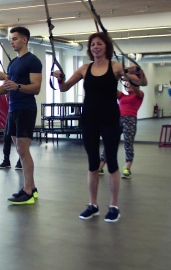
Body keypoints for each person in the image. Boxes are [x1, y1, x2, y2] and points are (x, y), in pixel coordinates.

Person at [53, 32, 147, 222]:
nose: (96, 47)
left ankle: (113, 206)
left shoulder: (116, 67)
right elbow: (64, 88)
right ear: (90, 48)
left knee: (111, 161)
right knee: (93, 162)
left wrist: (137, 70)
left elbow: (142, 82)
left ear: (106, 47)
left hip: (110, 119)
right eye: (93, 44)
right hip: (89, 119)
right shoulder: (84, 69)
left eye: (99, 44)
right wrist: (60, 78)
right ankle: (93, 204)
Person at [0, 26, 42, 205]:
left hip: (26, 109)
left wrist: (18, 87)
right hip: (13, 109)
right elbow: (4, 88)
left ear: (24, 40)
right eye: (10, 39)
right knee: (19, 150)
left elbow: (36, 88)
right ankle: (32, 187)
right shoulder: (13, 63)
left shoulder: (33, 61)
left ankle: (28, 191)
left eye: (14, 39)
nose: (12, 42)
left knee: (23, 150)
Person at [99, 81, 144, 179]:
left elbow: (137, 89)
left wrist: (130, 80)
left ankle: (127, 168)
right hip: (118, 119)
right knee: (109, 143)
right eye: (126, 85)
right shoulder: (122, 96)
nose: (128, 86)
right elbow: (110, 88)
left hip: (130, 120)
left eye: (130, 84)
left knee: (128, 143)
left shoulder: (139, 95)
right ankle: (100, 166)